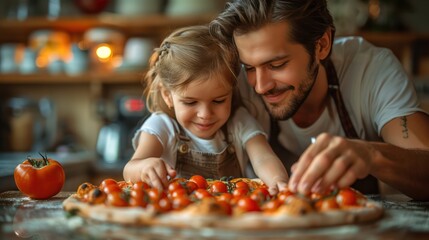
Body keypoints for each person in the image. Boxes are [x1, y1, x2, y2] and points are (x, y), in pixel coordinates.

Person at [209, 0, 429, 200]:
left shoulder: (371, 70)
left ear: (322, 45)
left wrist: (370, 155)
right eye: (248, 68)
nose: (260, 86)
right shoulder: (232, 82)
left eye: (276, 65)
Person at [123, 25, 288, 194]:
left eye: (218, 101)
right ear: (168, 96)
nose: (205, 114)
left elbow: (263, 158)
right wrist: (143, 167)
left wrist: (278, 181)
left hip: (232, 213)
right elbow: (130, 168)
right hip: (178, 214)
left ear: (231, 92)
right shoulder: (162, 126)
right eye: (190, 102)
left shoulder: (239, 121)